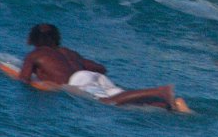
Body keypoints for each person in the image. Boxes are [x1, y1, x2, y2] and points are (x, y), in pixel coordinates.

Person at [19, 23, 190, 113]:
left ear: (32, 40)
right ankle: (169, 105)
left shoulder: (35, 55)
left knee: (107, 102)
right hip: (93, 77)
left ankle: (161, 91)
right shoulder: (69, 52)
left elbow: (24, 80)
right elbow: (100, 68)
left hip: (78, 82)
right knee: (121, 99)